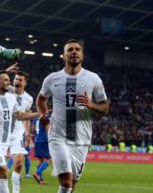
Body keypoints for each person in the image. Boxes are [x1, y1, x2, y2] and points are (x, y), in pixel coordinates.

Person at [36, 39, 109, 193]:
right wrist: (44, 114)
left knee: (71, 186)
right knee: (66, 182)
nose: (74, 52)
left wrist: (91, 104)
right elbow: (41, 98)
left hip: (81, 139)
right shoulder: (52, 78)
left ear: (82, 55)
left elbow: (105, 107)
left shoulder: (93, 78)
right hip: (58, 135)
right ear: (64, 56)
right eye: (70, 50)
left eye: (77, 49)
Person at [6, 71, 34, 193]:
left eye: (20, 80)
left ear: (25, 83)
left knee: (18, 163)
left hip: (17, 134)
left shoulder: (29, 99)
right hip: (2, 132)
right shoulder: (7, 90)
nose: (17, 81)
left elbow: (26, 118)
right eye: (16, 79)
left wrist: (27, 133)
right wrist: (6, 72)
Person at [31, 117, 51, 184]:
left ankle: (41, 179)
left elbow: (33, 130)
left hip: (37, 140)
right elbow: (48, 130)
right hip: (44, 141)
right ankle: (37, 173)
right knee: (50, 159)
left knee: (40, 160)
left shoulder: (35, 118)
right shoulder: (46, 117)